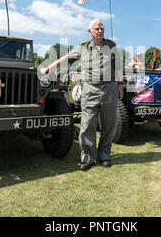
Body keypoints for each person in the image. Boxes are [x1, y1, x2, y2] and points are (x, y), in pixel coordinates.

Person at [40, 19, 123, 171]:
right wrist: (49, 67)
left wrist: (120, 85)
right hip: (90, 89)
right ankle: (87, 158)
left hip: (109, 89)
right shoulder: (83, 47)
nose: (100, 31)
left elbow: (117, 66)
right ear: (90, 31)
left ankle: (104, 155)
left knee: (108, 124)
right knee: (87, 125)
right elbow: (66, 59)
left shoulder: (111, 45)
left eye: (102, 28)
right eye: (97, 28)